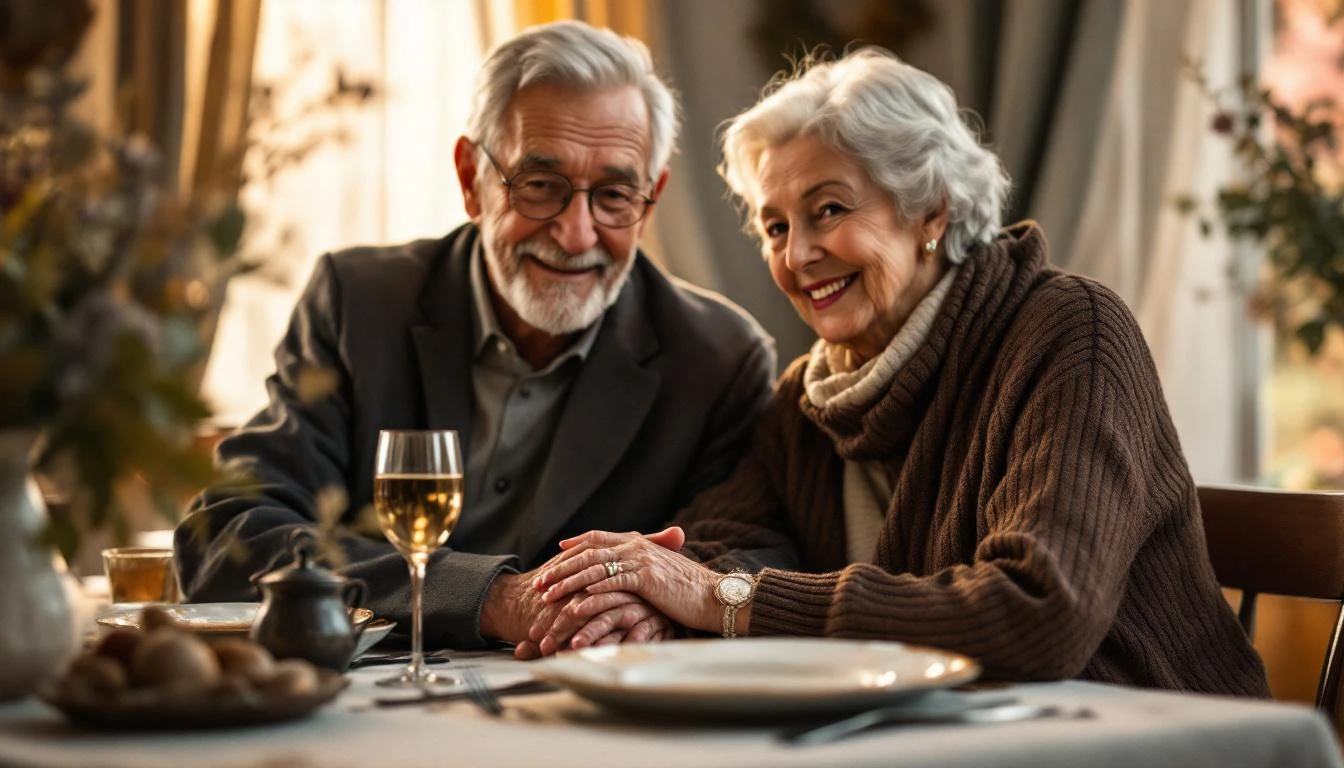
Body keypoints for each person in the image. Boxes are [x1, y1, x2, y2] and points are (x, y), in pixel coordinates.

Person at [528, 49, 1270, 696]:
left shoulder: (1070, 333)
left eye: (828, 210)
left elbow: (1039, 614)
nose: (796, 256)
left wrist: (727, 599)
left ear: (932, 211)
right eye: (776, 226)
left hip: (1147, 737)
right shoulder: (812, 398)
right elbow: (719, 543)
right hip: (941, 738)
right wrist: (649, 600)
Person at [174, 21, 776, 653]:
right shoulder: (358, 303)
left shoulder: (719, 358)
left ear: (650, 197)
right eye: (540, 185)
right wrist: (492, 598)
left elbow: (752, 558)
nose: (576, 234)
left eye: (614, 195)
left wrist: (661, 608)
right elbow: (227, 534)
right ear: (471, 179)